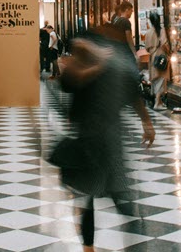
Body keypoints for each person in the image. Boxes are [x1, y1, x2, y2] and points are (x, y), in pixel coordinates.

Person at [52, 27, 155, 252]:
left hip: (105, 141)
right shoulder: (84, 67)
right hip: (92, 142)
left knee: (111, 197)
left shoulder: (105, 67)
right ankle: (90, 247)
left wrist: (147, 123)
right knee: (94, 198)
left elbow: (132, 93)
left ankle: (121, 245)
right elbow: (69, 83)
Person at [144, 10, 171, 109]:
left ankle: (158, 101)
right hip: (161, 55)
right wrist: (169, 52)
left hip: (152, 57)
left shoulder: (148, 32)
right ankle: (157, 102)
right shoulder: (161, 30)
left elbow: (146, 47)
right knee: (161, 77)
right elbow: (164, 43)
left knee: (155, 78)